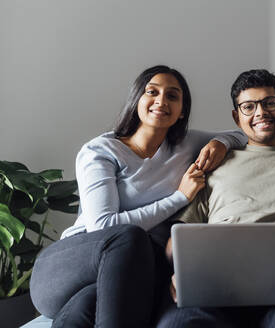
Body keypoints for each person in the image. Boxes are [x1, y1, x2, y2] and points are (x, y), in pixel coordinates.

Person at [30, 65, 247, 328]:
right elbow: (104, 226)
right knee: (129, 237)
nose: (161, 101)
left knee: (87, 306)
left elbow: (240, 135)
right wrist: (179, 197)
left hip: (125, 273)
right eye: (151, 92)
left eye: (172, 96)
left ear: (181, 112)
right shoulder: (101, 151)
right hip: (68, 268)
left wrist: (219, 143)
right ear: (137, 101)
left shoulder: (186, 145)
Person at [157, 69, 275, 328]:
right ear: (237, 117)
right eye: (249, 106)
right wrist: (182, 269)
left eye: (269, 103)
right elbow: (178, 237)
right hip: (215, 289)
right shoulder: (214, 162)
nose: (260, 113)